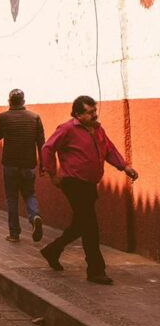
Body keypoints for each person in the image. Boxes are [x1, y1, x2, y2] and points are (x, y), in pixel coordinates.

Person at [40, 96, 139, 285]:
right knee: (90, 226)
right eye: (90, 112)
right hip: (73, 182)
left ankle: (52, 250)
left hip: (89, 184)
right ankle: (95, 270)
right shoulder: (67, 129)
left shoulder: (97, 129)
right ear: (78, 114)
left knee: (81, 224)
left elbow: (109, 150)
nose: (95, 115)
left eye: (95, 111)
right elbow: (47, 148)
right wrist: (52, 174)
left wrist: (124, 167)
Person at [0, 89, 45, 243]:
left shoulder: (3, 117)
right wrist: (43, 164)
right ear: (23, 101)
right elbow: (41, 143)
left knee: (11, 198)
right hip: (28, 163)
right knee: (30, 194)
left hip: (10, 163)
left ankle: (14, 234)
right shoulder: (35, 118)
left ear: (9, 101)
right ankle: (34, 216)